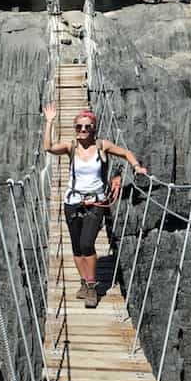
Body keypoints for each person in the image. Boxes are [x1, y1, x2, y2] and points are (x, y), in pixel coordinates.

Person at [42, 105, 147, 308]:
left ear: (94, 128)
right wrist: (49, 122)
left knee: (87, 244)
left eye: (87, 127)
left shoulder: (102, 146)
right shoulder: (71, 147)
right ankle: (84, 282)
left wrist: (136, 167)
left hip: (96, 202)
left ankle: (91, 286)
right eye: (79, 127)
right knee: (76, 247)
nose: (83, 130)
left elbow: (125, 153)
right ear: (75, 128)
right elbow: (48, 148)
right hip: (72, 202)